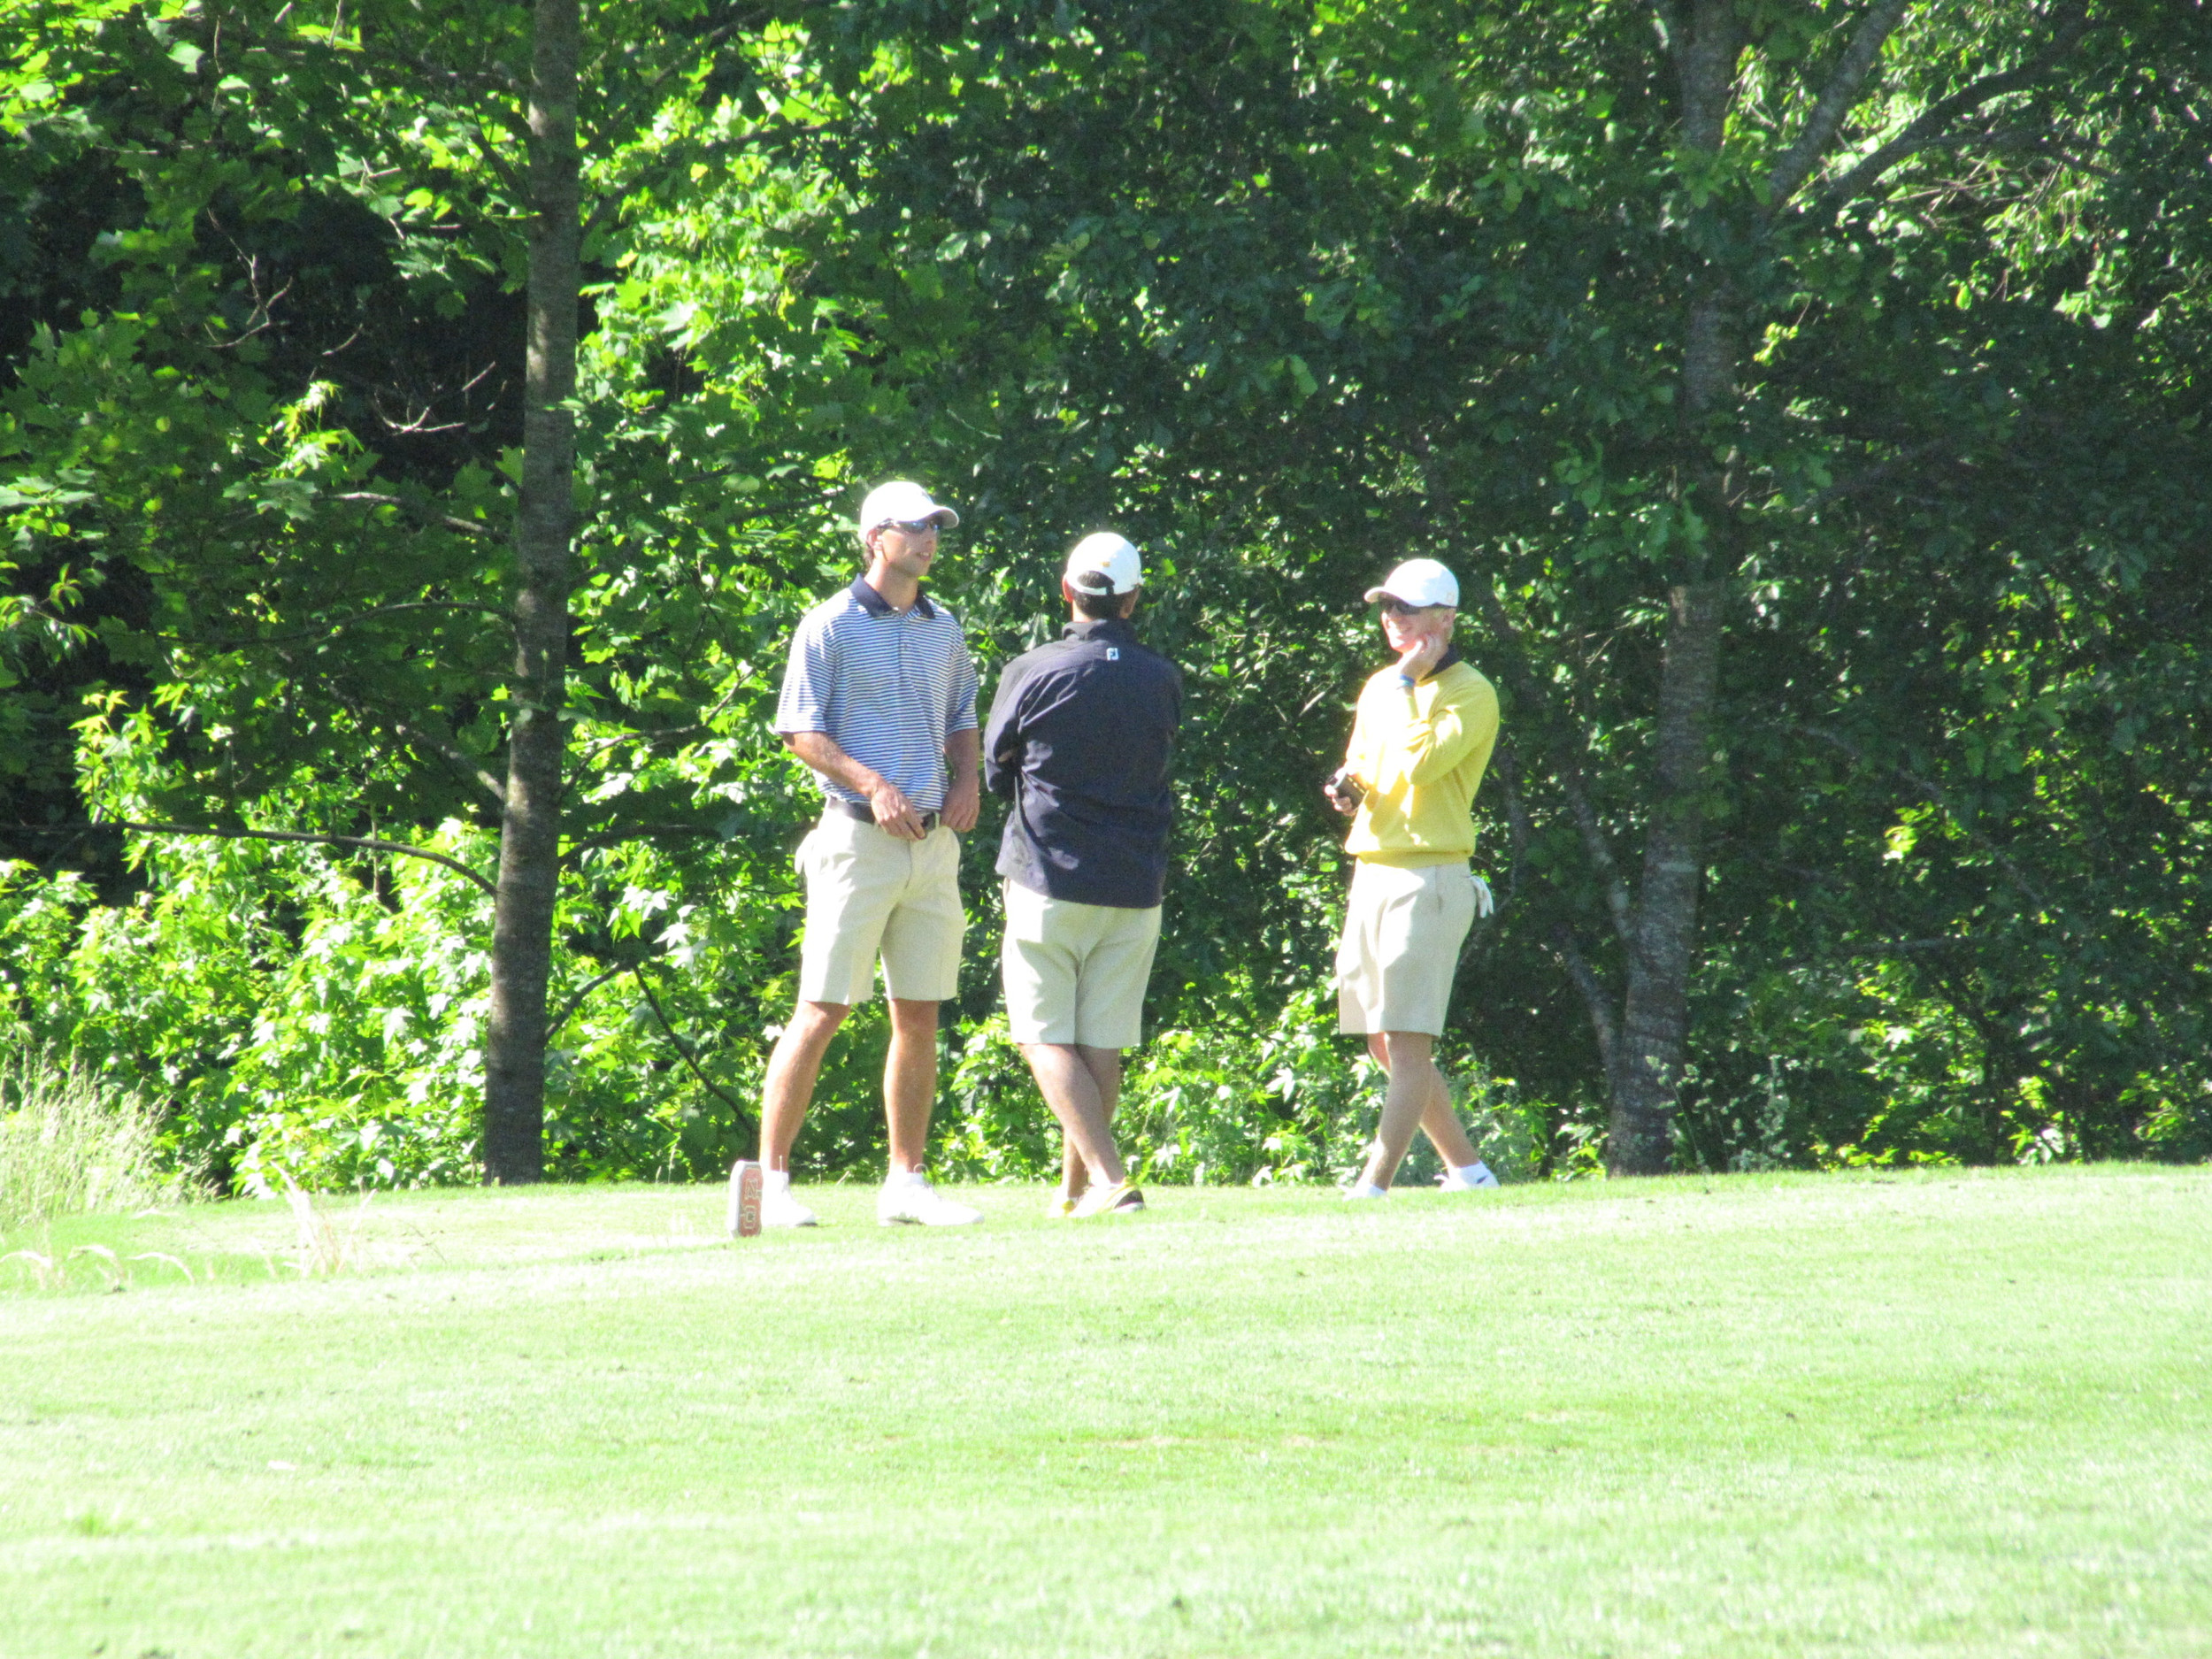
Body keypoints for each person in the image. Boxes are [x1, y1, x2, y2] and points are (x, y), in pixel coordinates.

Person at [750, 480, 984, 1228]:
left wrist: (969, 778)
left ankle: (906, 1182)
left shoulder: (944, 626)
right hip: (856, 838)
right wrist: (871, 781)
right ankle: (773, 1184)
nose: (928, 540)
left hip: (930, 845)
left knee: (919, 1014)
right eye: (914, 528)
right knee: (821, 1009)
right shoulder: (829, 624)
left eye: (934, 529)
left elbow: (961, 716)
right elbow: (800, 731)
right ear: (875, 536)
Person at [983, 533, 1183, 1218]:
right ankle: (1074, 1194)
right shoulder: (1163, 676)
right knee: (1101, 1040)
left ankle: (1106, 1176)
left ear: (1067, 592)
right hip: (1136, 884)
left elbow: (994, 766)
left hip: (1049, 875)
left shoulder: (1033, 668)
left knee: (1042, 1035)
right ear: (1132, 599)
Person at [1323, 557, 1503, 1199]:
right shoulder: (1383, 686)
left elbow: (1423, 764)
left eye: (1405, 608)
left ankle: (1375, 1183)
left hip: (1429, 876)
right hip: (1373, 870)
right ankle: (1470, 1170)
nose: (1390, 619)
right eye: (1387, 607)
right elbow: (1366, 764)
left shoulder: (1470, 691)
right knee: (1381, 1038)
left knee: (1406, 1040)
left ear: (1446, 619)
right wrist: (1347, 789)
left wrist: (1405, 684)